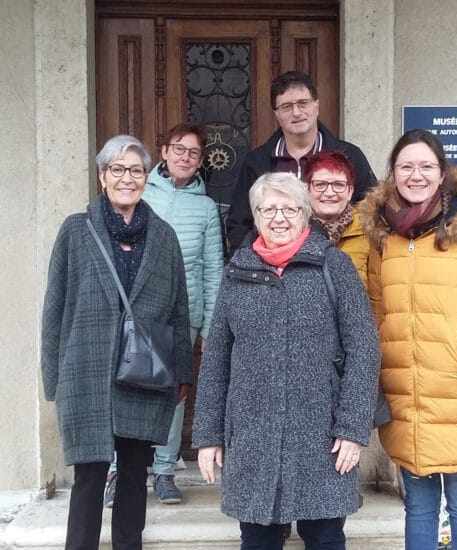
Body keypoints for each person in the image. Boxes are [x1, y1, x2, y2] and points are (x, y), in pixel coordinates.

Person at [192, 172, 381, 549]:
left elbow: (364, 349)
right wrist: (209, 436)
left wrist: (353, 429)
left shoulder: (334, 266)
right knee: (258, 539)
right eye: (268, 209)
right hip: (251, 435)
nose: (279, 218)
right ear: (256, 216)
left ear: (305, 213)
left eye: (289, 209)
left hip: (321, 434)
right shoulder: (238, 272)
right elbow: (216, 360)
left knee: (325, 537)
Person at [357, 128, 457, 550]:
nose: (416, 175)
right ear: (392, 174)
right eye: (406, 166)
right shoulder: (382, 234)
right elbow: (378, 305)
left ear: (442, 171)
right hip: (407, 393)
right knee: (419, 506)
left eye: (426, 166)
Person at [41, 135, 193, 550]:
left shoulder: (163, 236)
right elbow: (54, 306)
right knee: (89, 475)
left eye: (136, 170)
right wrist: (52, 376)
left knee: (133, 473)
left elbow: (180, 309)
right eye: (117, 169)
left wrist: (181, 374)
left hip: (142, 373)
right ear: (102, 177)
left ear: (147, 177)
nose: (127, 178)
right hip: (84, 368)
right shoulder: (76, 230)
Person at [104, 123, 224, 507]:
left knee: (172, 396)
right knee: (122, 388)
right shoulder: (141, 193)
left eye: (193, 152)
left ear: (201, 160)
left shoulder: (206, 208)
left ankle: (166, 470)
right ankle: (118, 470)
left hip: (182, 316)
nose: (185, 156)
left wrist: (209, 324)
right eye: (178, 148)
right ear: (164, 151)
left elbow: (212, 267)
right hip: (134, 311)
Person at [225, 70, 377, 256]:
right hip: (271, 272)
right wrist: (246, 264)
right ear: (276, 113)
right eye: (286, 106)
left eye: (303, 103)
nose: (296, 112)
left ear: (316, 106)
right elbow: (239, 223)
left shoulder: (348, 155)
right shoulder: (257, 162)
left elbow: (373, 212)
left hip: (335, 264)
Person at [304, 149, 369, 289]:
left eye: (338, 185)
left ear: (350, 191)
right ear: (307, 190)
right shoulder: (293, 232)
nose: (329, 193)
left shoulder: (369, 231)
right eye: (320, 185)